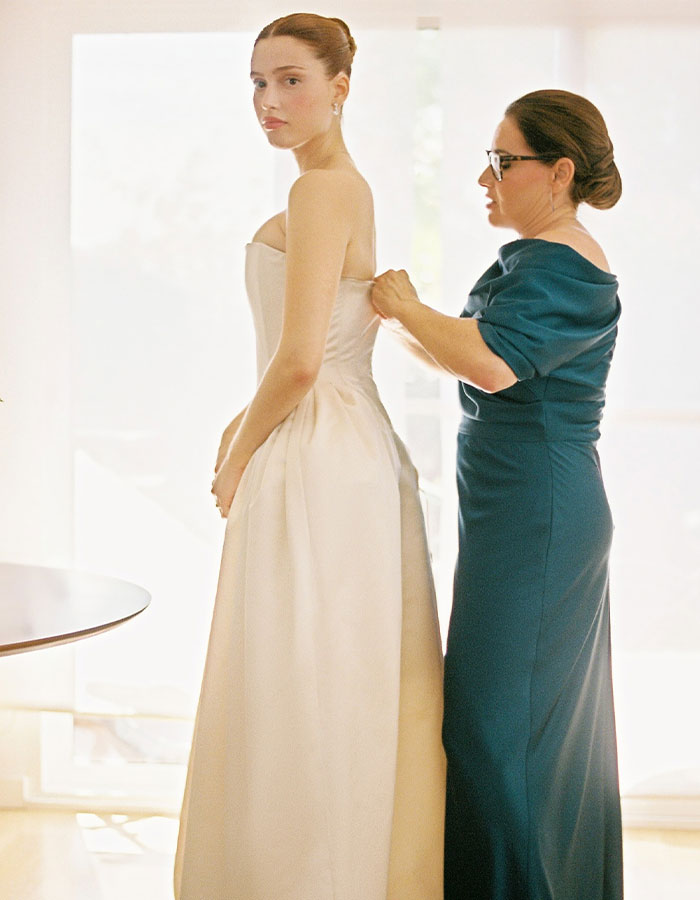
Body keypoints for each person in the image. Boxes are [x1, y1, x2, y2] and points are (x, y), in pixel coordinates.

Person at [173, 14, 445, 900]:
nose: (270, 101)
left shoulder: (322, 191)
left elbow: (297, 362)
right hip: (340, 437)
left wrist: (233, 460)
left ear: (341, 88)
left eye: (291, 80)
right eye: (258, 83)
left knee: (305, 673)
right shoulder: (338, 188)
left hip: (319, 446)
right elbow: (301, 354)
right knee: (331, 666)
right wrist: (239, 425)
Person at [371, 89, 623, 900]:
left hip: (540, 516)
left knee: (493, 732)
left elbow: (489, 363)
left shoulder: (566, 262)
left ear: (558, 173)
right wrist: (395, 316)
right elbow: (467, 353)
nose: (486, 179)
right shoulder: (540, 256)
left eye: (501, 161)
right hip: (517, 510)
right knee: (519, 732)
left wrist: (407, 308)